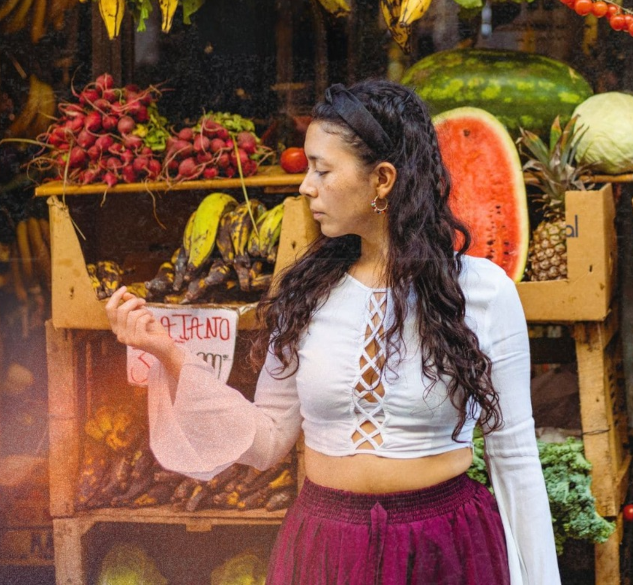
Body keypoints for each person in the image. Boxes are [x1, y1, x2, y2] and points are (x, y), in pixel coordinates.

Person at [106, 79, 560, 585]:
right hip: (328, 550)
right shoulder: (305, 294)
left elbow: (515, 458)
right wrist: (170, 356)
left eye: (323, 170)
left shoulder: (482, 292)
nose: (306, 186)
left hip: (446, 550)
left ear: (382, 179)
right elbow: (266, 441)